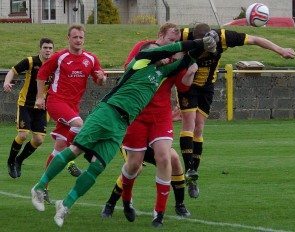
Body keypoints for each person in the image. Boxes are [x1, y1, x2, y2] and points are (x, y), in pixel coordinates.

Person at [30, 35, 218, 228]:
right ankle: (39, 186)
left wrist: (204, 47)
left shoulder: (160, 73)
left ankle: (65, 204)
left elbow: (184, 61)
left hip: (122, 125)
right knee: (75, 150)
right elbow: (168, 50)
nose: (162, 53)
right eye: (156, 50)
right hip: (108, 112)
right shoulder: (141, 60)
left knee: (97, 167)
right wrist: (198, 43)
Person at [177, 23, 295, 199]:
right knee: (189, 123)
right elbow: (166, 45)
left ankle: (193, 175)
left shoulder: (224, 37)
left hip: (207, 86)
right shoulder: (184, 35)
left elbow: (255, 39)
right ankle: (188, 168)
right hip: (188, 84)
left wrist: (280, 50)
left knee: (199, 128)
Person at [35, 24, 106, 202]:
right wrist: (39, 97)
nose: (78, 40)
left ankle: (42, 187)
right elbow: (42, 74)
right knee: (79, 124)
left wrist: (102, 78)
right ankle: (78, 153)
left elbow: (99, 80)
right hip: (56, 101)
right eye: (75, 37)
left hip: (73, 107)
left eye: (81, 37)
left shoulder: (90, 58)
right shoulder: (60, 57)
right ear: (68, 38)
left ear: (84, 39)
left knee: (59, 148)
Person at [3, 38, 54, 179]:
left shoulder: (55, 65)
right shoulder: (31, 61)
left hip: (43, 107)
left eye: (50, 48)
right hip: (26, 104)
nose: (48, 50)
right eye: (45, 47)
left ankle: (19, 160)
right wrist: (7, 82)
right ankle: (11, 161)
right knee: (23, 135)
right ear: (40, 49)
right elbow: (13, 71)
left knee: (38, 140)